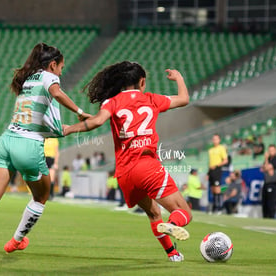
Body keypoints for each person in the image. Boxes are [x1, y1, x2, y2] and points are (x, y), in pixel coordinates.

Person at [0, 43, 91, 257]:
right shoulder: (48, 77)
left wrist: (70, 128)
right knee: (41, 197)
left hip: (6, 141)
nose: (61, 72)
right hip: (28, 145)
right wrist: (80, 112)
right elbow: (58, 93)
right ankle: (16, 240)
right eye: (61, 67)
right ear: (52, 65)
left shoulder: (28, 79)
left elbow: (46, 118)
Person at [63, 61, 191, 262]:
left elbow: (96, 122)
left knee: (154, 213)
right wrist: (179, 79)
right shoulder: (150, 99)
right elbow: (184, 99)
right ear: (142, 82)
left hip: (124, 174)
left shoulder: (111, 102)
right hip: (147, 166)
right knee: (183, 212)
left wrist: (69, 129)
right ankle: (173, 224)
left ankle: (173, 254)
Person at [208, 134, 228, 214]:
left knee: (217, 189)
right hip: (211, 171)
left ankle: (219, 207)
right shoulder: (210, 150)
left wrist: (216, 165)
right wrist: (208, 172)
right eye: (213, 139)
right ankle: (214, 208)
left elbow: (225, 160)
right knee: (213, 189)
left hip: (217, 170)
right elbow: (210, 162)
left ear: (219, 140)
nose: (214, 140)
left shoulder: (221, 148)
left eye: (216, 139)